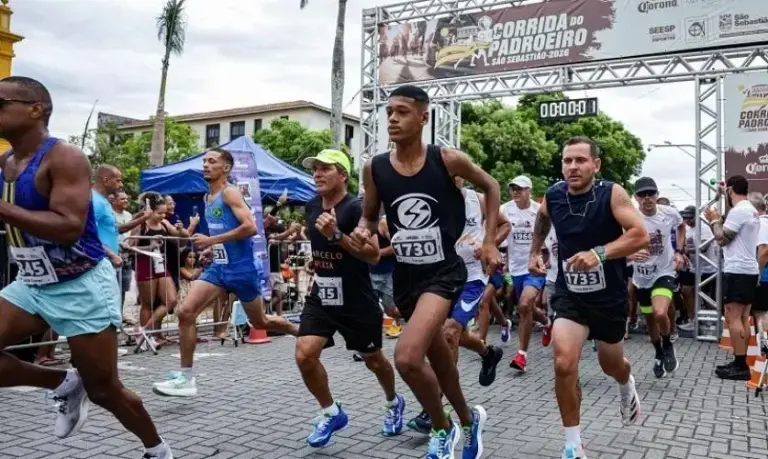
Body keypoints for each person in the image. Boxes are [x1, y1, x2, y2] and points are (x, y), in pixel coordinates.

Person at [0, 76, 173, 458]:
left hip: (79, 284)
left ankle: (158, 451)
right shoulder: (6, 162)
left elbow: (68, 227)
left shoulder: (65, 158)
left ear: (35, 110)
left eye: (1, 103)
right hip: (31, 282)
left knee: (104, 389)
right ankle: (63, 382)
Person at [355, 85, 501, 459]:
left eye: (402, 112)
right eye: (389, 112)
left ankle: (442, 426)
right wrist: (362, 232)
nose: (392, 118)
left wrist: (489, 241)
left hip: (443, 273)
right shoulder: (375, 168)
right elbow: (369, 216)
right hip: (406, 277)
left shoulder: (447, 159)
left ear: (424, 117)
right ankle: (469, 420)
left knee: (406, 357)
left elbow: (491, 185)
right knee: (439, 360)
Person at [528, 136, 646, 459]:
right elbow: (542, 218)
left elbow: (640, 234)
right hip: (571, 294)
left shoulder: (612, 193)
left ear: (596, 164)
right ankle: (572, 444)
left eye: (580, 160)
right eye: (567, 161)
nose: (573, 167)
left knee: (611, 365)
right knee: (564, 362)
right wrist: (535, 250)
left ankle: (626, 383)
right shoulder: (554, 194)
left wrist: (600, 253)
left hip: (609, 297)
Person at [152, 148, 298, 396]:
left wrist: (212, 240)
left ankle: (303, 332)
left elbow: (250, 227)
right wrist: (213, 248)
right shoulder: (208, 197)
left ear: (226, 168)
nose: (205, 165)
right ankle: (186, 378)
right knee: (185, 312)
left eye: (212, 161)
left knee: (260, 321)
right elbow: (224, 232)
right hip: (219, 268)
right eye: (204, 161)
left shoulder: (230, 193)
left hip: (241, 270)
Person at [295, 149, 404, 447]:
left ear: (342, 175)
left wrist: (336, 236)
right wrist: (318, 260)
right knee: (304, 354)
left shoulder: (356, 209)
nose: (317, 174)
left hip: (356, 298)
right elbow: (321, 245)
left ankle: (393, 401)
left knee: (374, 361)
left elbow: (372, 255)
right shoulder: (311, 205)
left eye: (325, 168)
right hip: (323, 292)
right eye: (315, 169)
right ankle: (331, 412)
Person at [406, 176, 509, 435]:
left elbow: (505, 224)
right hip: (441, 277)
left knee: (450, 333)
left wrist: (489, 243)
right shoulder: (431, 201)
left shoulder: (479, 200)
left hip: (472, 278)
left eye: (455, 174)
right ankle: (488, 353)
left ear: (463, 175)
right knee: (453, 336)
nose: (451, 178)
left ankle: (435, 407)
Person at [627, 177, 685, 378]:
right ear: (636, 197)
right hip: (642, 277)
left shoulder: (669, 213)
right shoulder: (629, 217)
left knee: (660, 312)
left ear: (657, 195)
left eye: (650, 193)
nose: (647, 198)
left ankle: (668, 345)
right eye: (642, 194)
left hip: (664, 271)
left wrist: (679, 251)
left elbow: (681, 226)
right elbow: (618, 243)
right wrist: (630, 254)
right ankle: (659, 353)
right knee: (650, 319)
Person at [704, 175, 760, 380]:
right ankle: (740, 361)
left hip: (737, 270)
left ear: (730, 190)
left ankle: (740, 365)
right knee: (743, 317)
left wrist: (713, 220)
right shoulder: (749, 209)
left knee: (733, 316)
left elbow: (721, 238)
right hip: (748, 270)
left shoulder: (739, 211)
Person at [501, 175, 552, 372]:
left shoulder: (539, 211)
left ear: (529, 191)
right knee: (527, 308)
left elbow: (549, 239)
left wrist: (546, 259)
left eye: (520, 189)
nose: (515, 192)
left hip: (535, 268)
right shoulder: (504, 210)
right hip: (516, 268)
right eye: (513, 188)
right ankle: (546, 322)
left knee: (524, 304)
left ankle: (521, 356)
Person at [677, 205, 718, 332]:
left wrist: (688, 251)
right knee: (686, 290)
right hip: (694, 267)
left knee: (707, 297)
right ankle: (693, 320)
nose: (688, 220)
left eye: (690, 218)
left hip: (708, 268)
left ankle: (711, 322)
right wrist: (683, 253)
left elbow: (704, 247)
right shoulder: (689, 229)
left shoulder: (703, 227)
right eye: (685, 218)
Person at [752, 193, 768, 355]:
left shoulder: (762, 224)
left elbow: (764, 251)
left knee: (762, 312)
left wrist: (757, 272)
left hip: (764, 275)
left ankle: (764, 348)